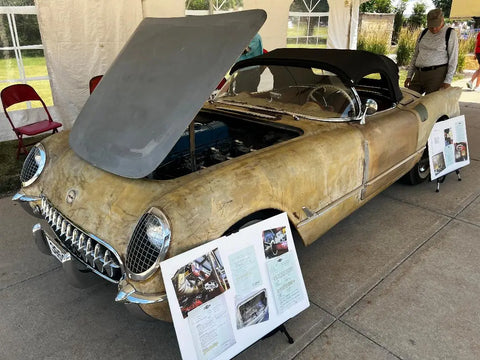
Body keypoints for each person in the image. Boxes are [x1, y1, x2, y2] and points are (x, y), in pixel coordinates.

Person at [404, 9, 459, 94]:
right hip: (419, 73)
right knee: (409, 100)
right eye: (431, 26)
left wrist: (448, 80)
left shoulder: (450, 33)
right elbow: (415, 55)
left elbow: (453, 59)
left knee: (429, 104)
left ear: (442, 20)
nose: (434, 28)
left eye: (436, 25)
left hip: (436, 74)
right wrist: (409, 76)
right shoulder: (424, 32)